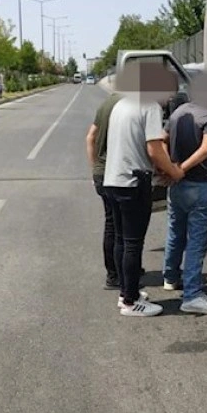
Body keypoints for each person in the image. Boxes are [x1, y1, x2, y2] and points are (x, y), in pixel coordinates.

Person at [103, 63, 184, 316]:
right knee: (133, 243)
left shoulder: (122, 104)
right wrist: (174, 171)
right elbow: (153, 149)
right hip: (134, 183)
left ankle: (126, 292)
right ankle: (130, 302)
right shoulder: (149, 106)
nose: (169, 97)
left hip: (113, 180)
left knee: (121, 240)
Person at [162, 71, 207, 315]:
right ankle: (192, 294)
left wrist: (171, 167)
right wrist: (182, 168)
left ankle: (170, 277)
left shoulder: (177, 113)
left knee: (175, 232)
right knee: (196, 241)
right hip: (200, 186)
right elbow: (206, 150)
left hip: (176, 187)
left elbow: (162, 139)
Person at [85, 91, 122, 290]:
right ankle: (117, 274)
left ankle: (113, 272)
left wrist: (95, 169)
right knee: (122, 226)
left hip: (101, 172)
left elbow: (90, 137)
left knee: (111, 223)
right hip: (118, 173)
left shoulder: (105, 104)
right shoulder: (128, 105)